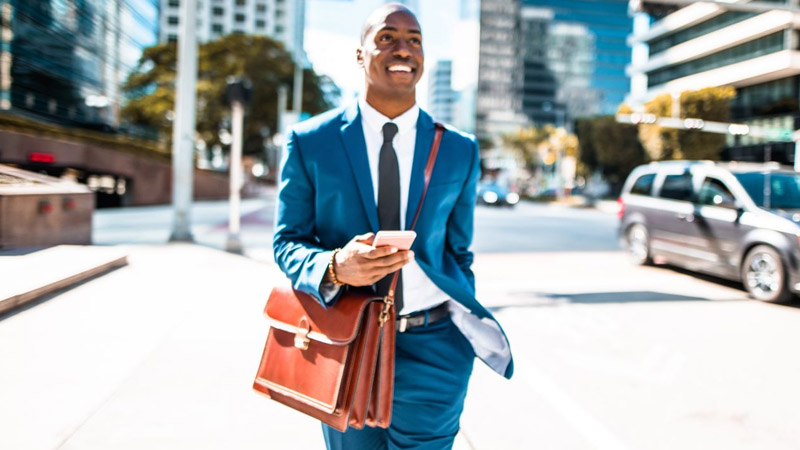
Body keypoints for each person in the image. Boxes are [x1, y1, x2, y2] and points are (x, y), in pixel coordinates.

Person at [272, 4, 513, 449]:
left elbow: (459, 251)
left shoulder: (459, 149)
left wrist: (459, 319)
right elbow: (287, 241)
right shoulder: (311, 142)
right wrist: (335, 266)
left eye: (414, 39)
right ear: (361, 54)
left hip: (435, 346)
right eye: (386, 37)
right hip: (347, 343)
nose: (403, 48)